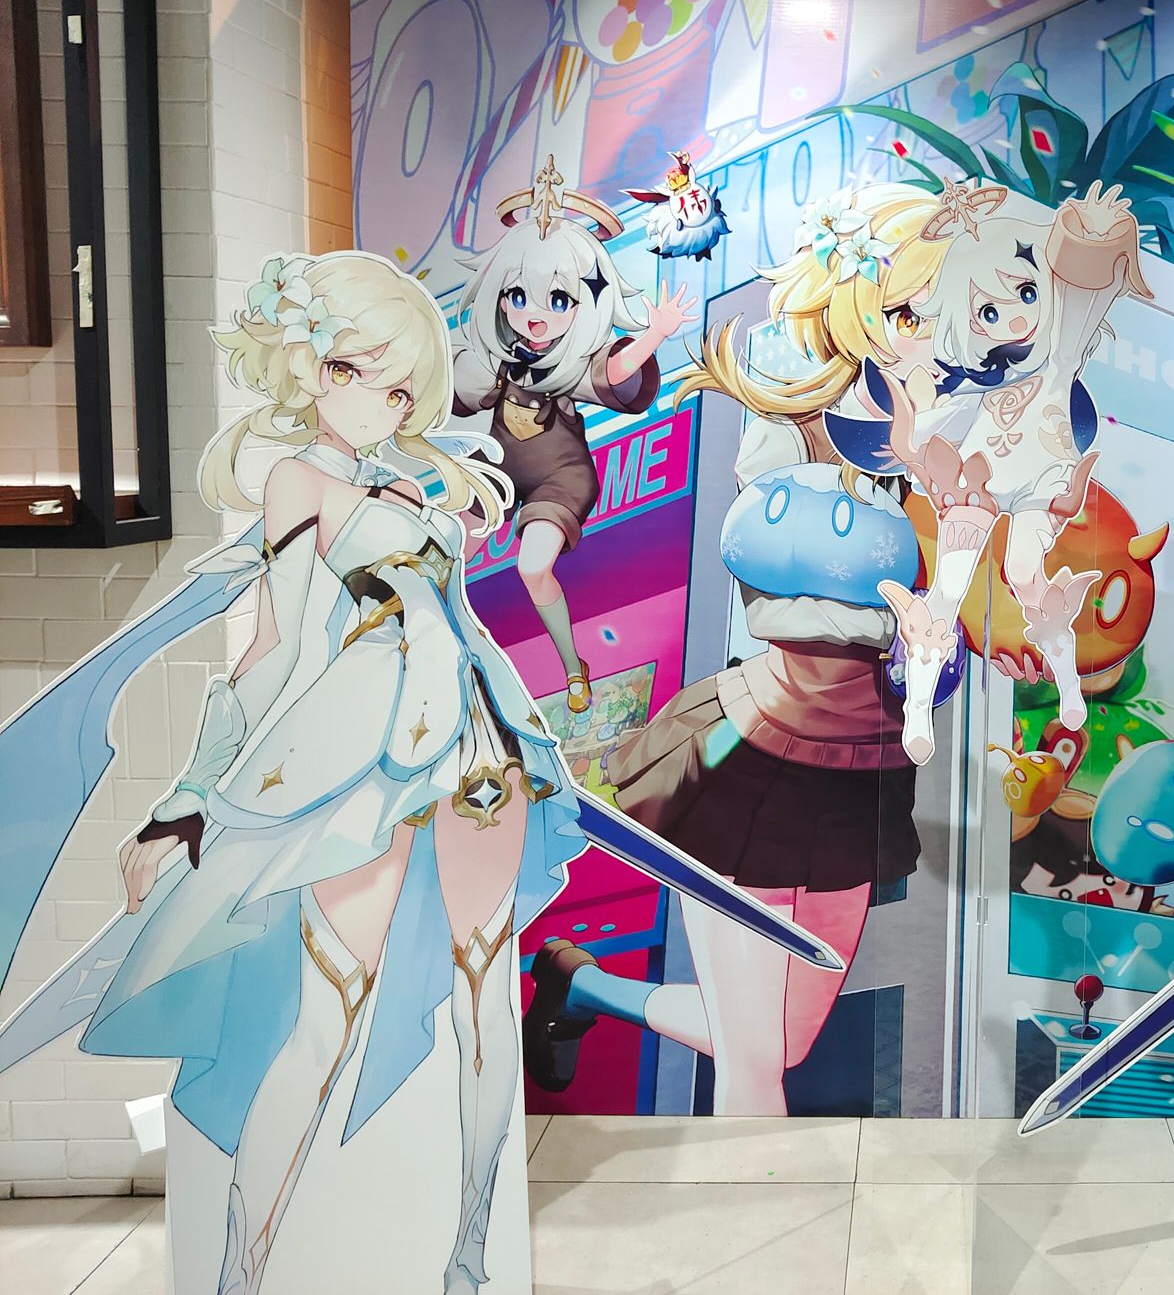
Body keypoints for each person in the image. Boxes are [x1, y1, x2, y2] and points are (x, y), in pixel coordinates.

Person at [0, 252, 584, 1295]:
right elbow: (272, 648)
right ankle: (249, 1271)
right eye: (364, 375)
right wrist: (190, 797)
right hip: (366, 766)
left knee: (481, 999)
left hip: (471, 758)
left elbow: (452, 618)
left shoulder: (402, 480)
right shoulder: (298, 482)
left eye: (402, 391)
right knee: (326, 1019)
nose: (384, 405)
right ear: (313, 368)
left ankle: (468, 1259)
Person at [522, 182, 948, 1116]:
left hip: (861, 756)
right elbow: (771, 564)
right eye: (912, 307)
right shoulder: (797, 422)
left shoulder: (922, 443)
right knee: (754, 1066)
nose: (931, 332)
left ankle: (578, 985)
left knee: (779, 1043)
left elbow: (942, 632)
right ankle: (752, 1223)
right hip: (753, 745)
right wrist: (902, 593)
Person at [872, 179, 1152, 763]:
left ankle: (1068, 682)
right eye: (988, 311)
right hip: (983, 480)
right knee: (946, 593)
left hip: (1043, 480)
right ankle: (918, 707)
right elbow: (927, 420)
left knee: (1028, 575)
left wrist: (1093, 234)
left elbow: (1087, 287)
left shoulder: (1061, 348)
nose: (1015, 318)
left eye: (1026, 292)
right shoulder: (974, 380)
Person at [452, 154, 695, 713]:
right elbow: (453, 389)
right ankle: (452, 655)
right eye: (518, 296)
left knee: (533, 567)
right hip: (497, 469)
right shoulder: (495, 359)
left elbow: (615, 372)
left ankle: (571, 667)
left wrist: (654, 335)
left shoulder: (570, 366)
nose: (534, 316)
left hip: (560, 477)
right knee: (447, 556)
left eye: (558, 300)